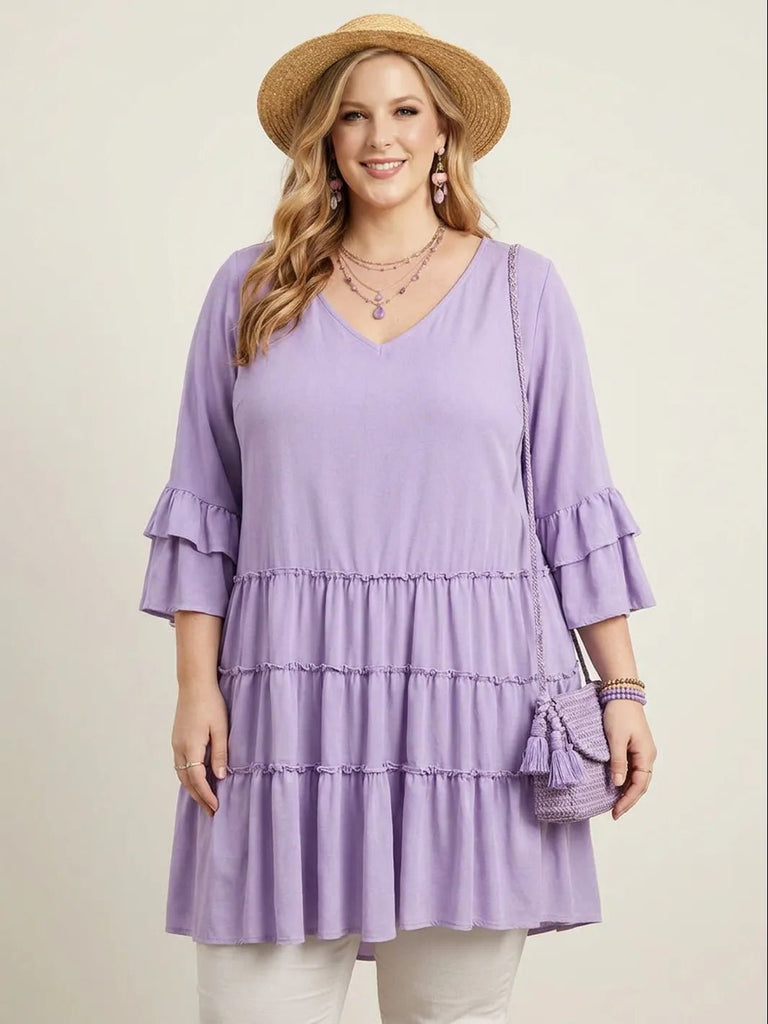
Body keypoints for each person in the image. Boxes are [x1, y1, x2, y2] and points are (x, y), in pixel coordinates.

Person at [138, 13, 659, 1024]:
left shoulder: (523, 290)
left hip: (475, 703)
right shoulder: (251, 289)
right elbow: (205, 503)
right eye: (353, 115)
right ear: (325, 141)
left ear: (443, 133)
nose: (381, 136)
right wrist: (195, 686)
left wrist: (623, 687)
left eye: (406, 111)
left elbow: (571, 500)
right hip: (285, 699)